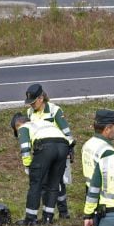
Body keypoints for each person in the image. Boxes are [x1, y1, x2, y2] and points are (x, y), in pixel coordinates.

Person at [10, 113, 70, 225]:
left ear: (17, 125)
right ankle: (48, 218)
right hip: (63, 146)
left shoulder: (23, 127)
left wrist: (28, 166)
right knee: (53, 184)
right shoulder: (45, 122)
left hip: (46, 147)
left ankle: (30, 219)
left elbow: (25, 148)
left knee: (36, 183)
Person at [25, 83, 75, 219]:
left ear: (41, 98)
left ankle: (63, 212)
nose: (31, 105)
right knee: (43, 182)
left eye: (33, 102)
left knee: (58, 182)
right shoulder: (30, 113)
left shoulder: (54, 110)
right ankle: (46, 212)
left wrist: (70, 148)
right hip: (41, 151)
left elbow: (66, 131)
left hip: (58, 148)